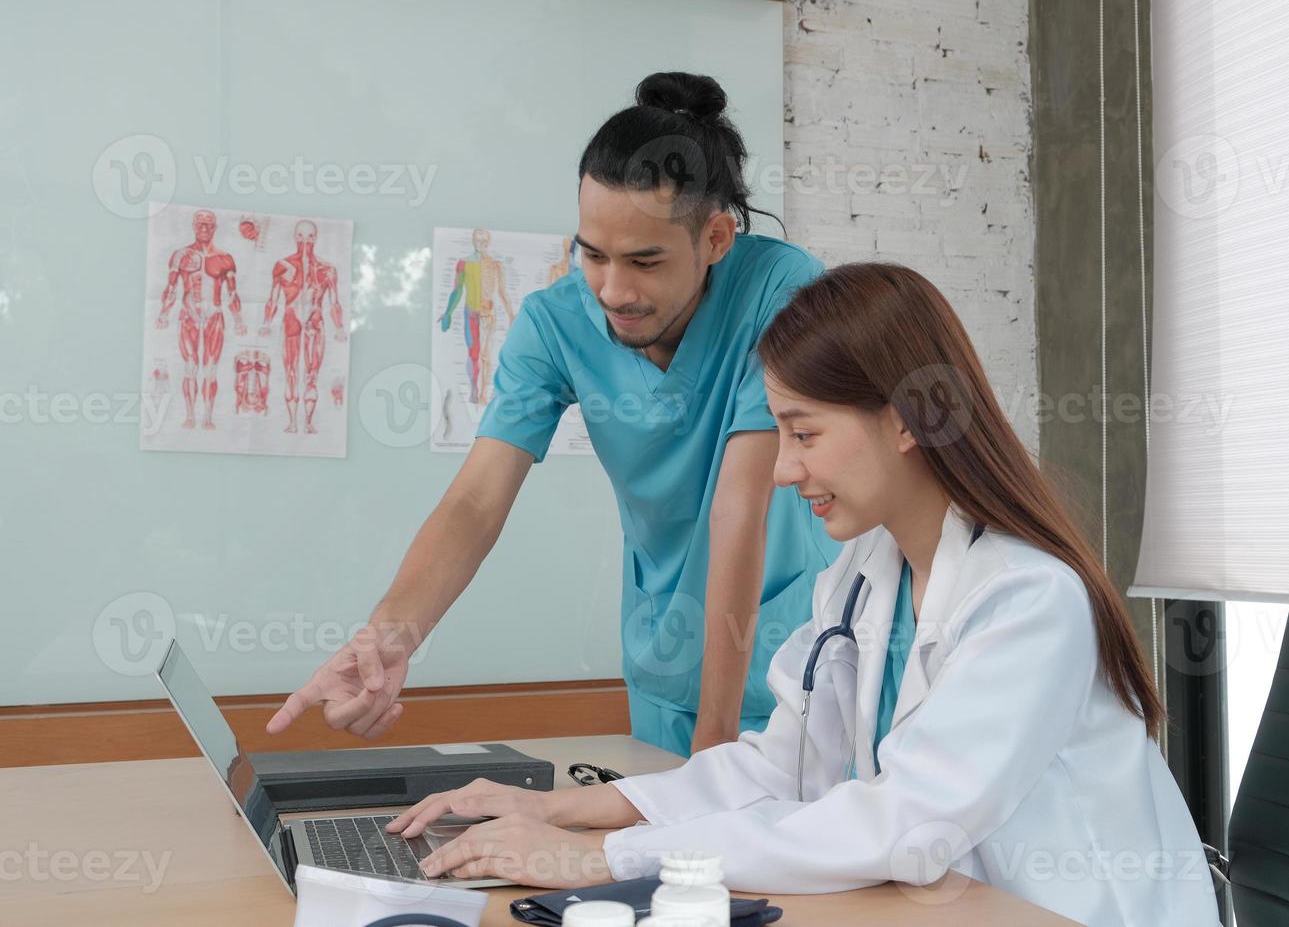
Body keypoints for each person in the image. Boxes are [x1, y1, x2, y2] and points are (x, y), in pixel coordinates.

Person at [385, 263, 1222, 927]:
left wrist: (607, 860)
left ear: (908, 419)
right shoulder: (864, 575)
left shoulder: (1029, 600)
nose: (784, 470)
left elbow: (904, 825)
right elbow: (778, 767)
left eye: (804, 432)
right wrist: (567, 813)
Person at [265, 72, 838, 756]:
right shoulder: (554, 323)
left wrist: (714, 750)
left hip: (796, 665)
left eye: (645, 261)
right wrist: (387, 636)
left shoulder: (780, 287)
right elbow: (476, 500)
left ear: (716, 237)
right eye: (591, 254)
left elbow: (739, 506)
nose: (613, 290)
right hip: (665, 663)